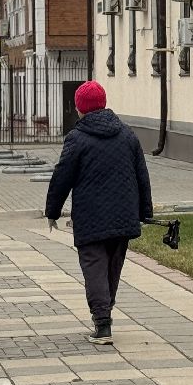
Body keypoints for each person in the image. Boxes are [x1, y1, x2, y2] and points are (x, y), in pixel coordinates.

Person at [45, 81, 152, 345]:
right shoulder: (127, 134)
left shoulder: (77, 138)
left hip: (90, 218)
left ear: (80, 108)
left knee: (94, 268)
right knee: (112, 268)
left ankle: (102, 323)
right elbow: (142, 176)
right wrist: (144, 211)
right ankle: (105, 311)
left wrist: (52, 211)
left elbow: (62, 177)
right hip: (123, 216)